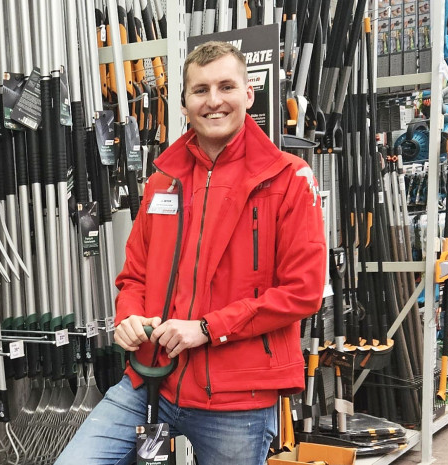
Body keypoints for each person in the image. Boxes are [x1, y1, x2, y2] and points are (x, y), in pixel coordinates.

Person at [56, 41, 327, 465]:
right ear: (183, 103)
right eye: (200, 90)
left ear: (248, 94)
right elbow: (135, 276)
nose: (213, 100)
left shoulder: (289, 179)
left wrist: (206, 328)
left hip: (237, 398)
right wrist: (129, 317)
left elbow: (302, 292)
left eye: (226, 87)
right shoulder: (162, 181)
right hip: (152, 379)